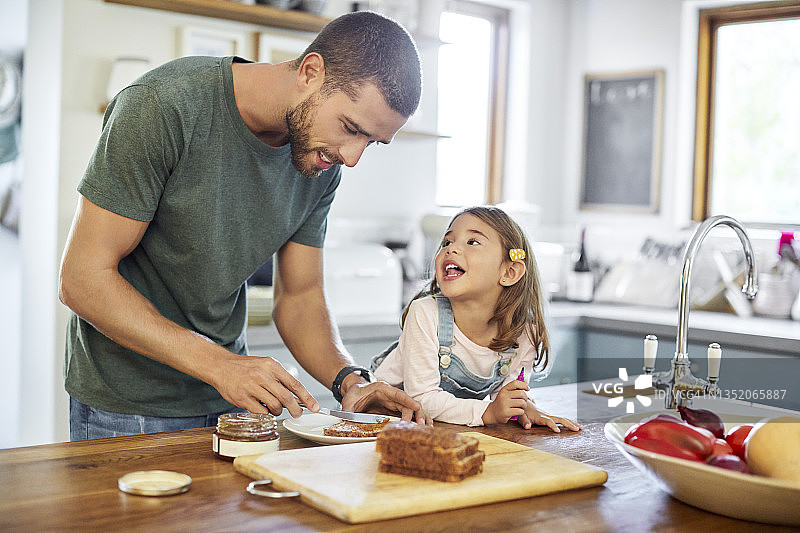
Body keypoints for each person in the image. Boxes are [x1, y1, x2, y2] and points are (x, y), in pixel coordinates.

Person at [58, 11, 431, 441]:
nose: (352, 157)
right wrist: (220, 365)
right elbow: (82, 278)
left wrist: (351, 381)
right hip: (128, 406)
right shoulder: (161, 106)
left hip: (232, 401)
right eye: (350, 128)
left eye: (372, 142)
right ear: (310, 72)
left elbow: (300, 297)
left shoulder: (320, 161)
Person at [371, 206, 582, 431]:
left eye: (472, 242)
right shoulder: (425, 313)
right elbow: (422, 399)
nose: (451, 249)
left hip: (439, 429)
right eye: (447, 242)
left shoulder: (523, 331)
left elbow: (506, 394)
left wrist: (524, 409)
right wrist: (488, 412)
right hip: (381, 420)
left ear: (509, 272)